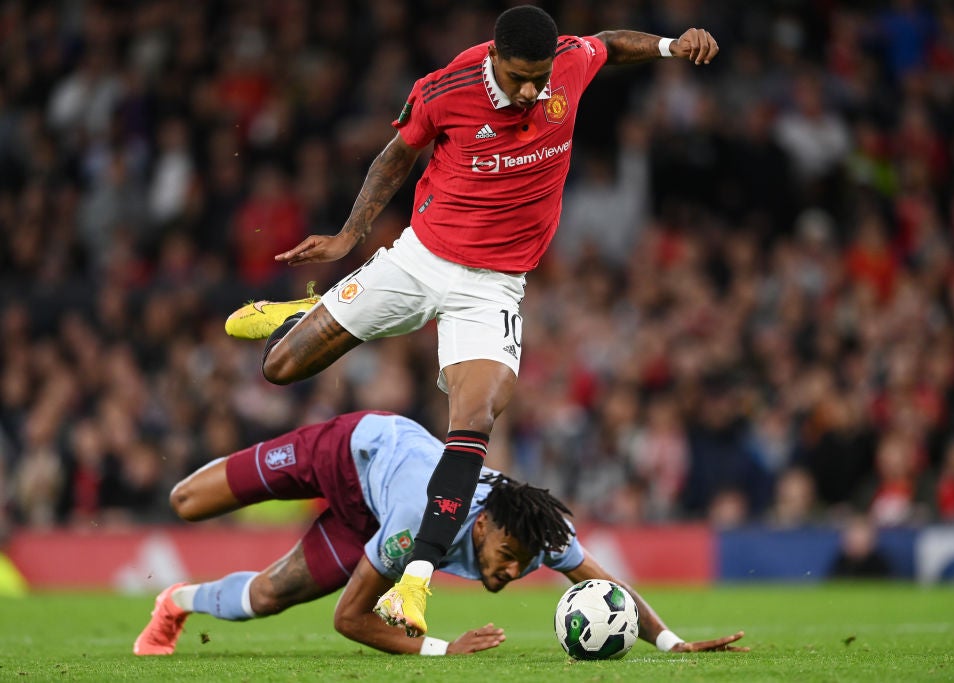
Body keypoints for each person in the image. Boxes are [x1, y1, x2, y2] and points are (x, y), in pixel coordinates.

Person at [223, 5, 720, 637]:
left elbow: (608, 45)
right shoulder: (444, 89)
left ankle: (416, 581)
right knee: (279, 367)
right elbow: (392, 160)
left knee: (475, 420)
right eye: (518, 77)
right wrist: (350, 237)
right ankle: (313, 305)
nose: (532, 90)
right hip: (419, 260)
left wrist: (674, 45)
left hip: (492, 288)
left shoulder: (565, 64)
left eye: (539, 77)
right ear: (492, 58)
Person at [133, 411, 747, 656]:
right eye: (506, 559)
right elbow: (351, 620)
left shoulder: (537, 530)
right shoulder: (416, 528)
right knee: (185, 502)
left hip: (371, 518)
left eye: (520, 565)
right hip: (345, 453)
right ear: (480, 524)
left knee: (265, 600)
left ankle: (173, 602)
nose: (509, 574)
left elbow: (606, 583)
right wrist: (441, 651)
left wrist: (671, 644)